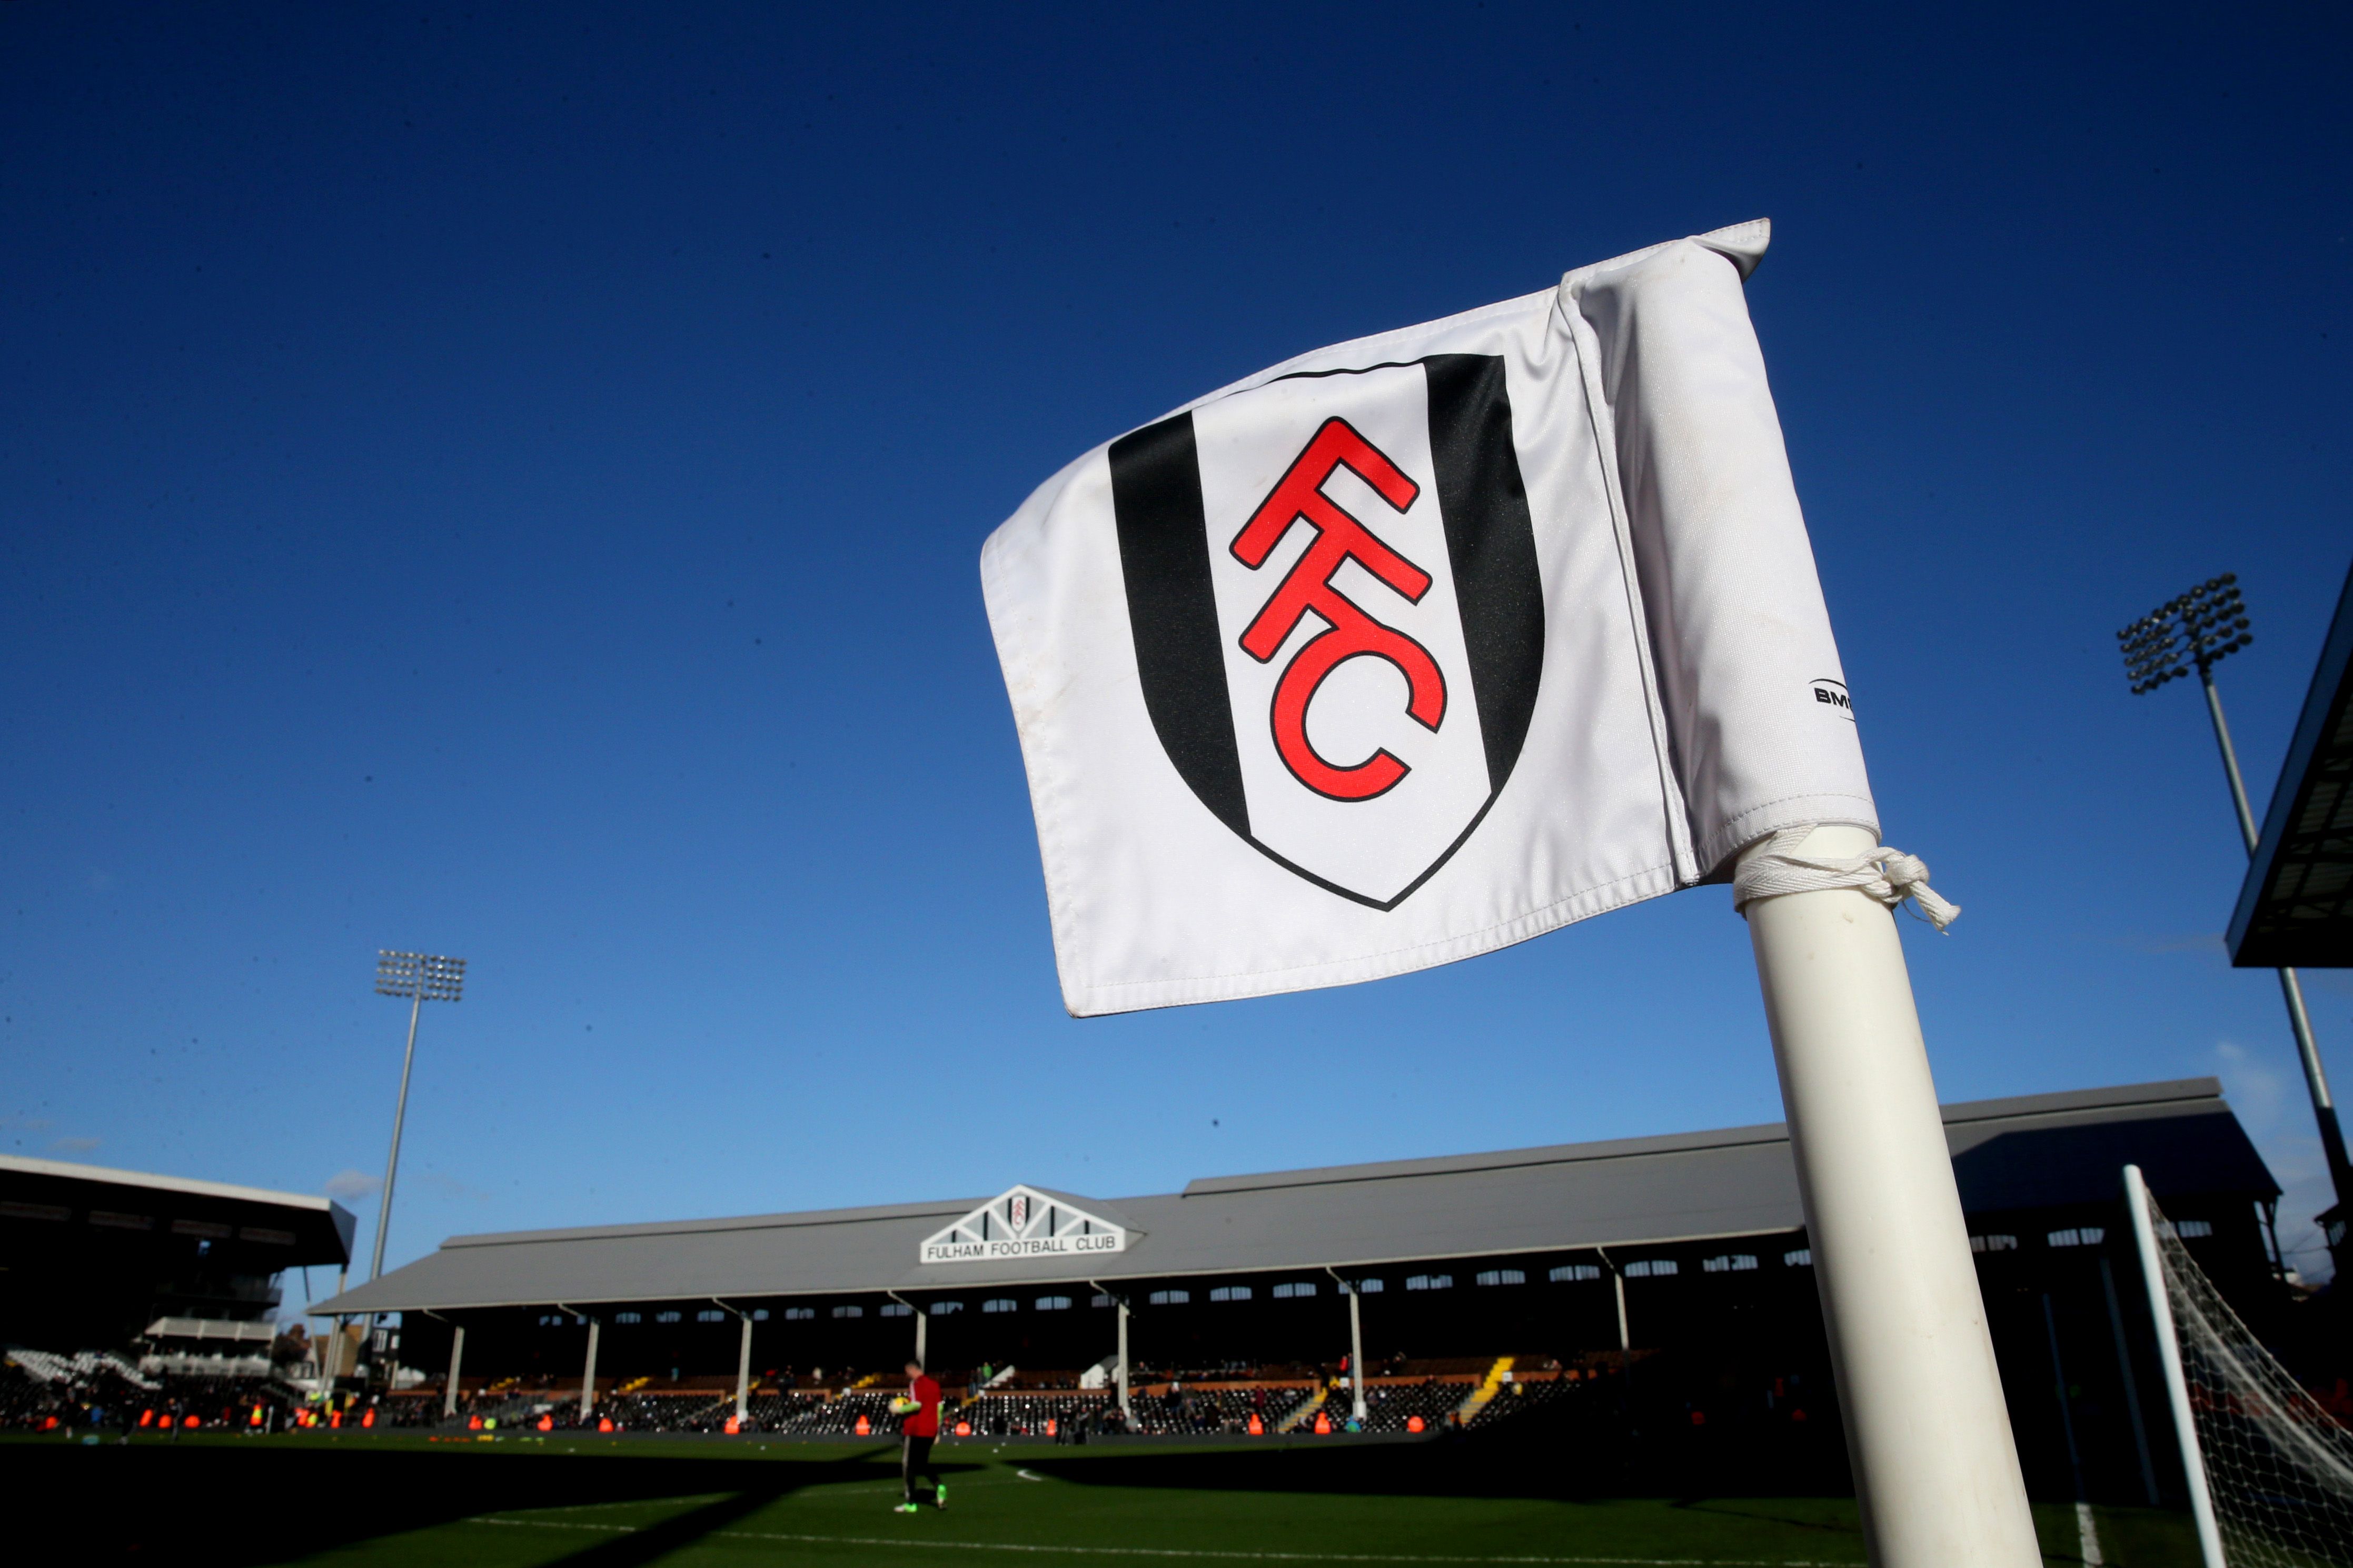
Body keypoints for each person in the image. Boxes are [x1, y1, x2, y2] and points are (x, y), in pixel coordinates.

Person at [892, 1359, 945, 1513]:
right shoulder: (935, 1385)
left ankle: (911, 1503)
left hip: (915, 1430)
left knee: (908, 1465)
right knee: (922, 1463)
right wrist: (937, 1430)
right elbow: (940, 1409)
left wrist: (899, 1410)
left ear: (912, 1369)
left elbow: (917, 1405)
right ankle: (938, 1485)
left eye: (907, 1371)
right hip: (930, 1430)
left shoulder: (916, 1384)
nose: (906, 1374)